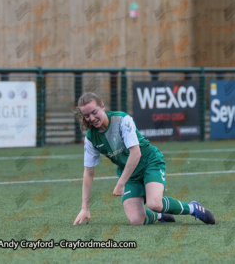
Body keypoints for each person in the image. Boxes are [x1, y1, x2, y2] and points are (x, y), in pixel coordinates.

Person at [73, 92, 215, 226]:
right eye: (87, 116)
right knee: (136, 220)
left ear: (102, 106)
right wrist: (84, 208)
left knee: (155, 204)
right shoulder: (91, 138)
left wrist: (121, 183)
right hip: (130, 173)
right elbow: (88, 173)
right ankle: (159, 216)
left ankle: (192, 208)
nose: (91, 118)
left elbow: (136, 154)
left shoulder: (122, 120)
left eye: (94, 112)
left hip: (149, 162)